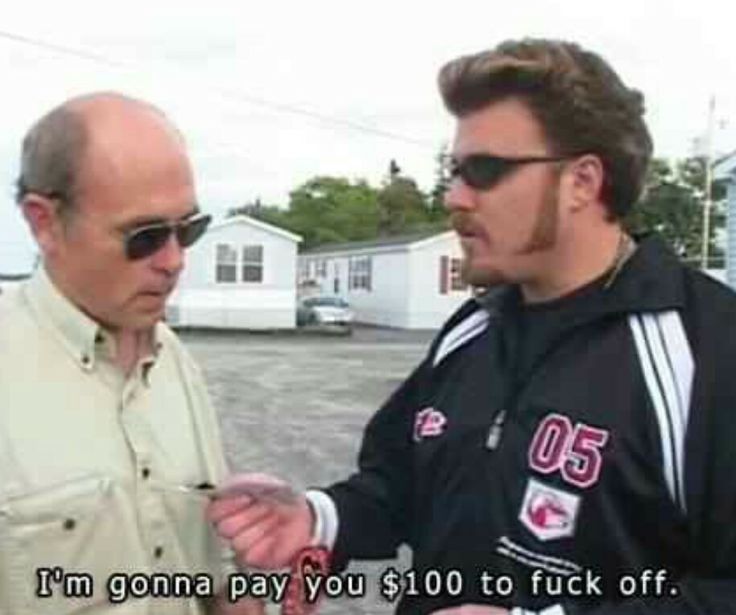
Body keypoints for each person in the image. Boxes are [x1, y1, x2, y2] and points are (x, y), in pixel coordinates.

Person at [208, 39, 736, 614]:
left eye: (485, 171)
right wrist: (315, 520)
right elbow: (397, 486)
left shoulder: (706, 351)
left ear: (582, 182)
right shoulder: (474, 329)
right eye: (454, 172)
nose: (455, 198)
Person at [0, 93, 262, 614]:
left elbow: (212, 572)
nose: (174, 260)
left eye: (188, 230)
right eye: (145, 237)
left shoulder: (175, 362)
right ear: (44, 222)